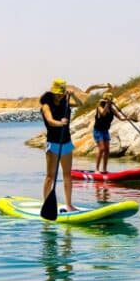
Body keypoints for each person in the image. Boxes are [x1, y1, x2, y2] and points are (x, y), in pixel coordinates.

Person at [40, 78, 82, 212]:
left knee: (67, 175)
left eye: (61, 93)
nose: (60, 96)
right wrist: (61, 123)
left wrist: (73, 95)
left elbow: (81, 104)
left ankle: (69, 205)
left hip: (66, 142)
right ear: (52, 92)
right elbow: (50, 121)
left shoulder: (66, 102)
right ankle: (45, 203)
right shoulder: (46, 105)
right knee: (50, 176)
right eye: (57, 94)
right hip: (53, 144)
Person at [92, 90, 129, 174]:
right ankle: (97, 169)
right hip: (98, 131)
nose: (111, 103)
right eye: (109, 102)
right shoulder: (99, 107)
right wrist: (107, 104)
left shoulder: (112, 109)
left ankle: (104, 169)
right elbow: (103, 114)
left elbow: (120, 118)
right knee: (101, 149)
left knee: (107, 150)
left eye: (111, 102)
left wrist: (127, 118)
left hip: (105, 131)